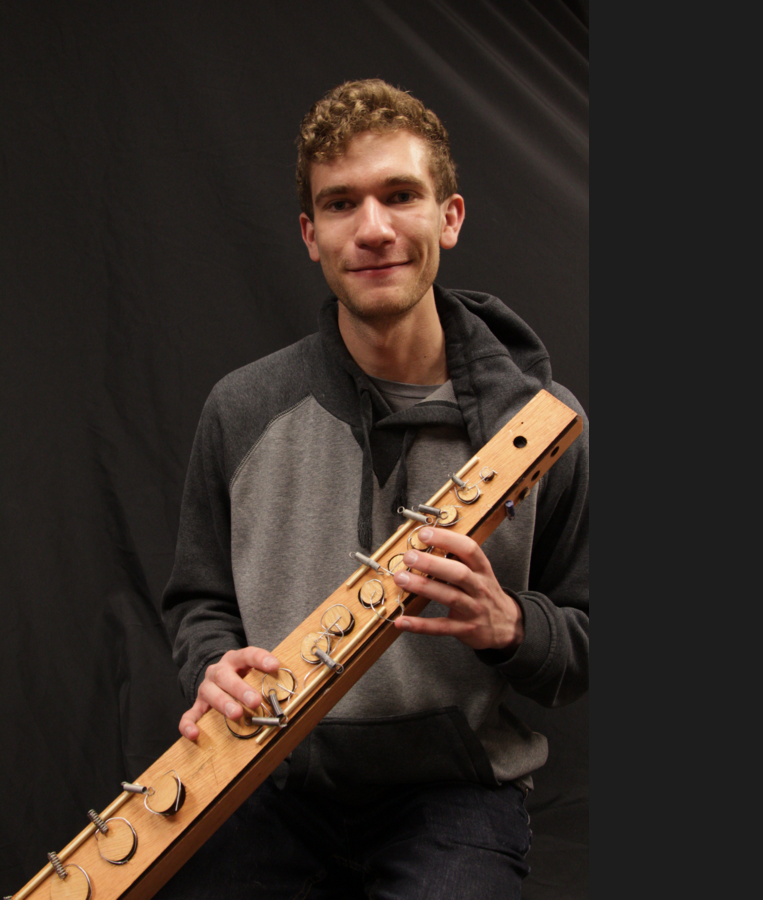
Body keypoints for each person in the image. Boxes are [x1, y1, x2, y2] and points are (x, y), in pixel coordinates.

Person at [158, 79, 588, 899]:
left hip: (456, 794)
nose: (374, 229)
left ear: (449, 217)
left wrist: (511, 627)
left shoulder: (542, 428)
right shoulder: (240, 409)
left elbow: (586, 642)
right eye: (341, 204)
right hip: (270, 777)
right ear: (309, 235)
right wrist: (213, 665)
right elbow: (199, 601)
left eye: (400, 195)